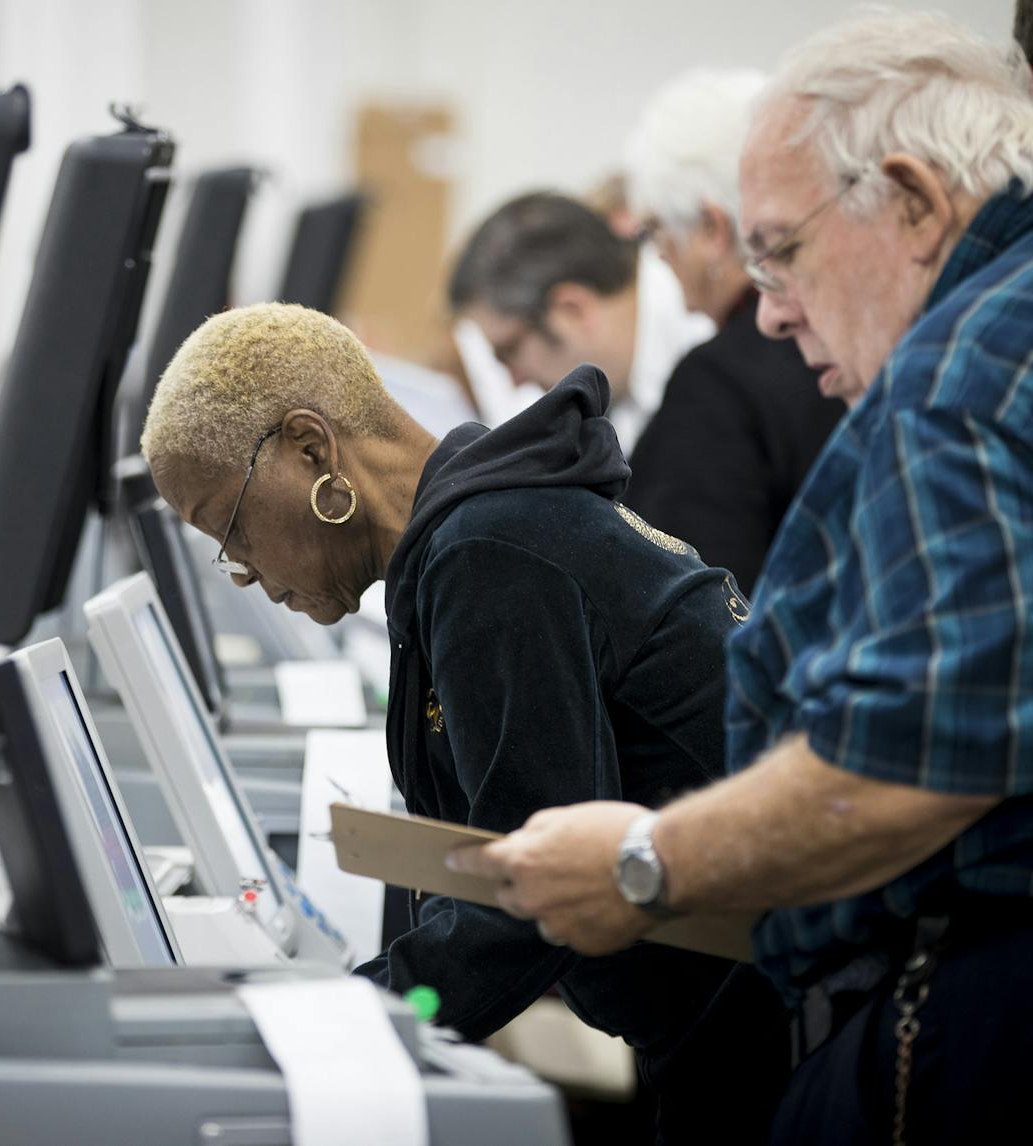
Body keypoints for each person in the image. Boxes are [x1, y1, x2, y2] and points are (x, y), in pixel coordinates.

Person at [447, 12, 1033, 1144]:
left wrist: (639, 861)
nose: (764, 307)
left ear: (908, 203)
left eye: (781, 251)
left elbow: (904, 769)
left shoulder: (955, 386)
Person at [140, 301, 790, 1143]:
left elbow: (526, 901)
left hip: (777, 1033)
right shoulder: (482, 530)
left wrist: (321, 1025)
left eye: (225, 527)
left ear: (311, 450)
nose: (240, 572)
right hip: (739, 1019)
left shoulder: (492, 553)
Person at [621, 68, 846, 595]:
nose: (657, 255)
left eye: (657, 232)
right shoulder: (859, 344)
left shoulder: (720, 383)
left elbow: (687, 620)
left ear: (711, 229)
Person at [449, 192, 712, 452]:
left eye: (511, 349)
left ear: (572, 309)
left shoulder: (711, 341)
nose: (514, 380)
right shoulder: (626, 395)